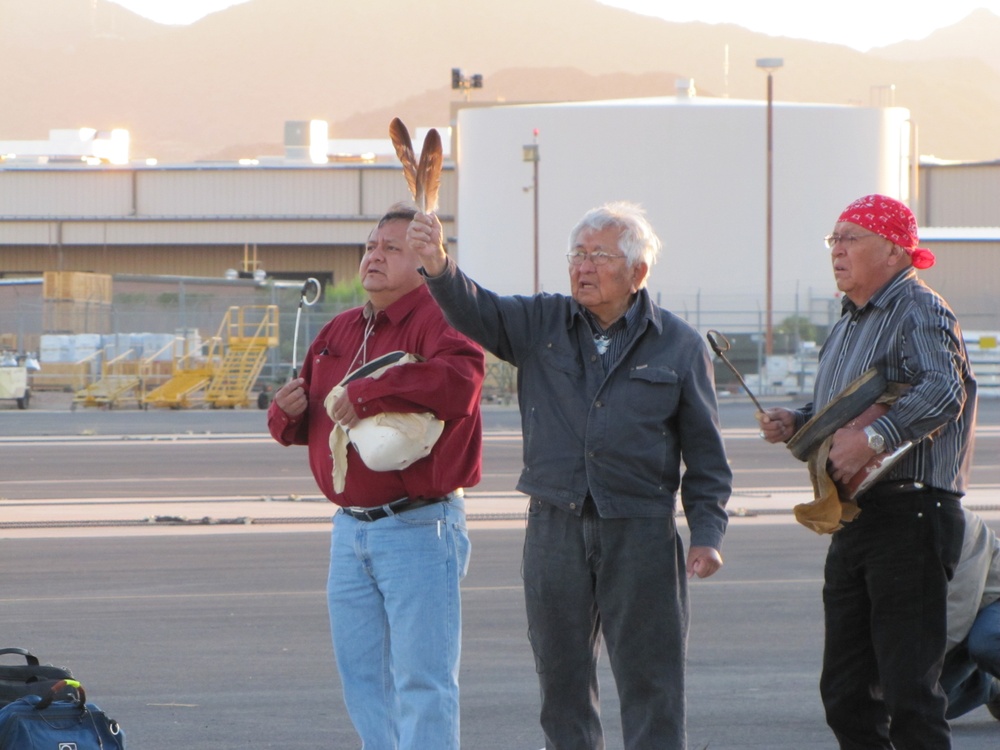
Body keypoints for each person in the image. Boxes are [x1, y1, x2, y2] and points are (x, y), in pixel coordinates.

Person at [407, 200, 732, 749]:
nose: (582, 266)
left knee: (652, 683)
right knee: (561, 682)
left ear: (638, 271)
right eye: (576, 255)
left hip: (642, 530)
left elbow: (706, 456)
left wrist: (707, 534)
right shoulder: (541, 323)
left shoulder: (679, 345)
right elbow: (474, 308)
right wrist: (438, 264)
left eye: (599, 255)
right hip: (554, 525)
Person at [759, 194, 977, 749]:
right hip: (860, 517)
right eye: (833, 239)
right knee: (847, 693)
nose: (837, 249)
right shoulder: (851, 322)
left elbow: (943, 391)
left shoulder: (918, 308)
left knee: (909, 693)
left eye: (851, 237)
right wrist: (800, 420)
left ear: (893, 250)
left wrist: (873, 439)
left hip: (912, 513)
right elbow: (848, 410)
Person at [267, 204, 485, 750]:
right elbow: (305, 423)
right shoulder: (338, 330)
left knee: (423, 682)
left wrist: (366, 392)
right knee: (364, 679)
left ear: (424, 260)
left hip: (419, 526)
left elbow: (459, 385)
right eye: (370, 246)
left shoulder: (444, 318)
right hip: (349, 531)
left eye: (391, 248)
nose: (374, 257)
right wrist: (286, 413)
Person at [941, 508, 1000, 720]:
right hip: (962, 615)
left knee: (988, 640)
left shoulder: (960, 523)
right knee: (930, 702)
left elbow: (958, 612)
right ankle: (991, 687)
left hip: (992, 598)